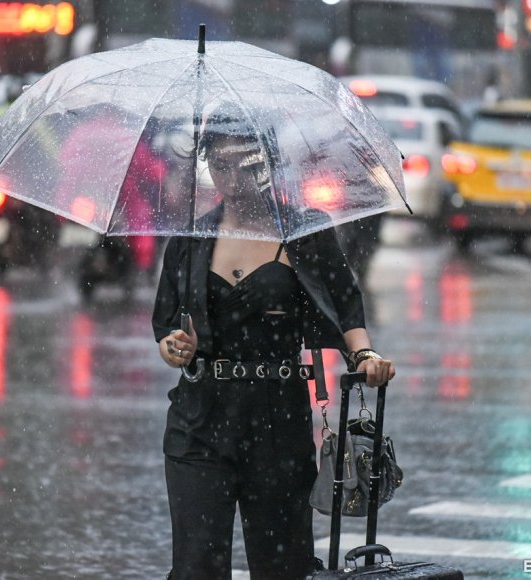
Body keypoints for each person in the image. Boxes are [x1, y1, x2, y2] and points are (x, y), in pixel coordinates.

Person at [151, 108, 396, 579]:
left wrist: (365, 354)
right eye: (220, 165)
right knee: (196, 566)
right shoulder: (191, 237)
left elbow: (344, 301)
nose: (233, 178)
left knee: (282, 565)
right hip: (199, 420)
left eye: (245, 164)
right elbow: (165, 327)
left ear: (267, 161)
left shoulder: (304, 231)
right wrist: (175, 346)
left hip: (277, 419)